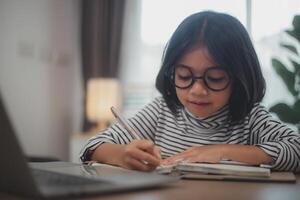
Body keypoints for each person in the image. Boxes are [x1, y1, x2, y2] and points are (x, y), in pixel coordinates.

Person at [80, 11, 300, 172]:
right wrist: (122, 155)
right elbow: (92, 146)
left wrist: (220, 151)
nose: (197, 90)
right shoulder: (161, 111)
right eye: (184, 76)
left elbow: (296, 149)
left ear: (239, 77)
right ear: (171, 72)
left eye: (214, 78)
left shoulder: (251, 118)